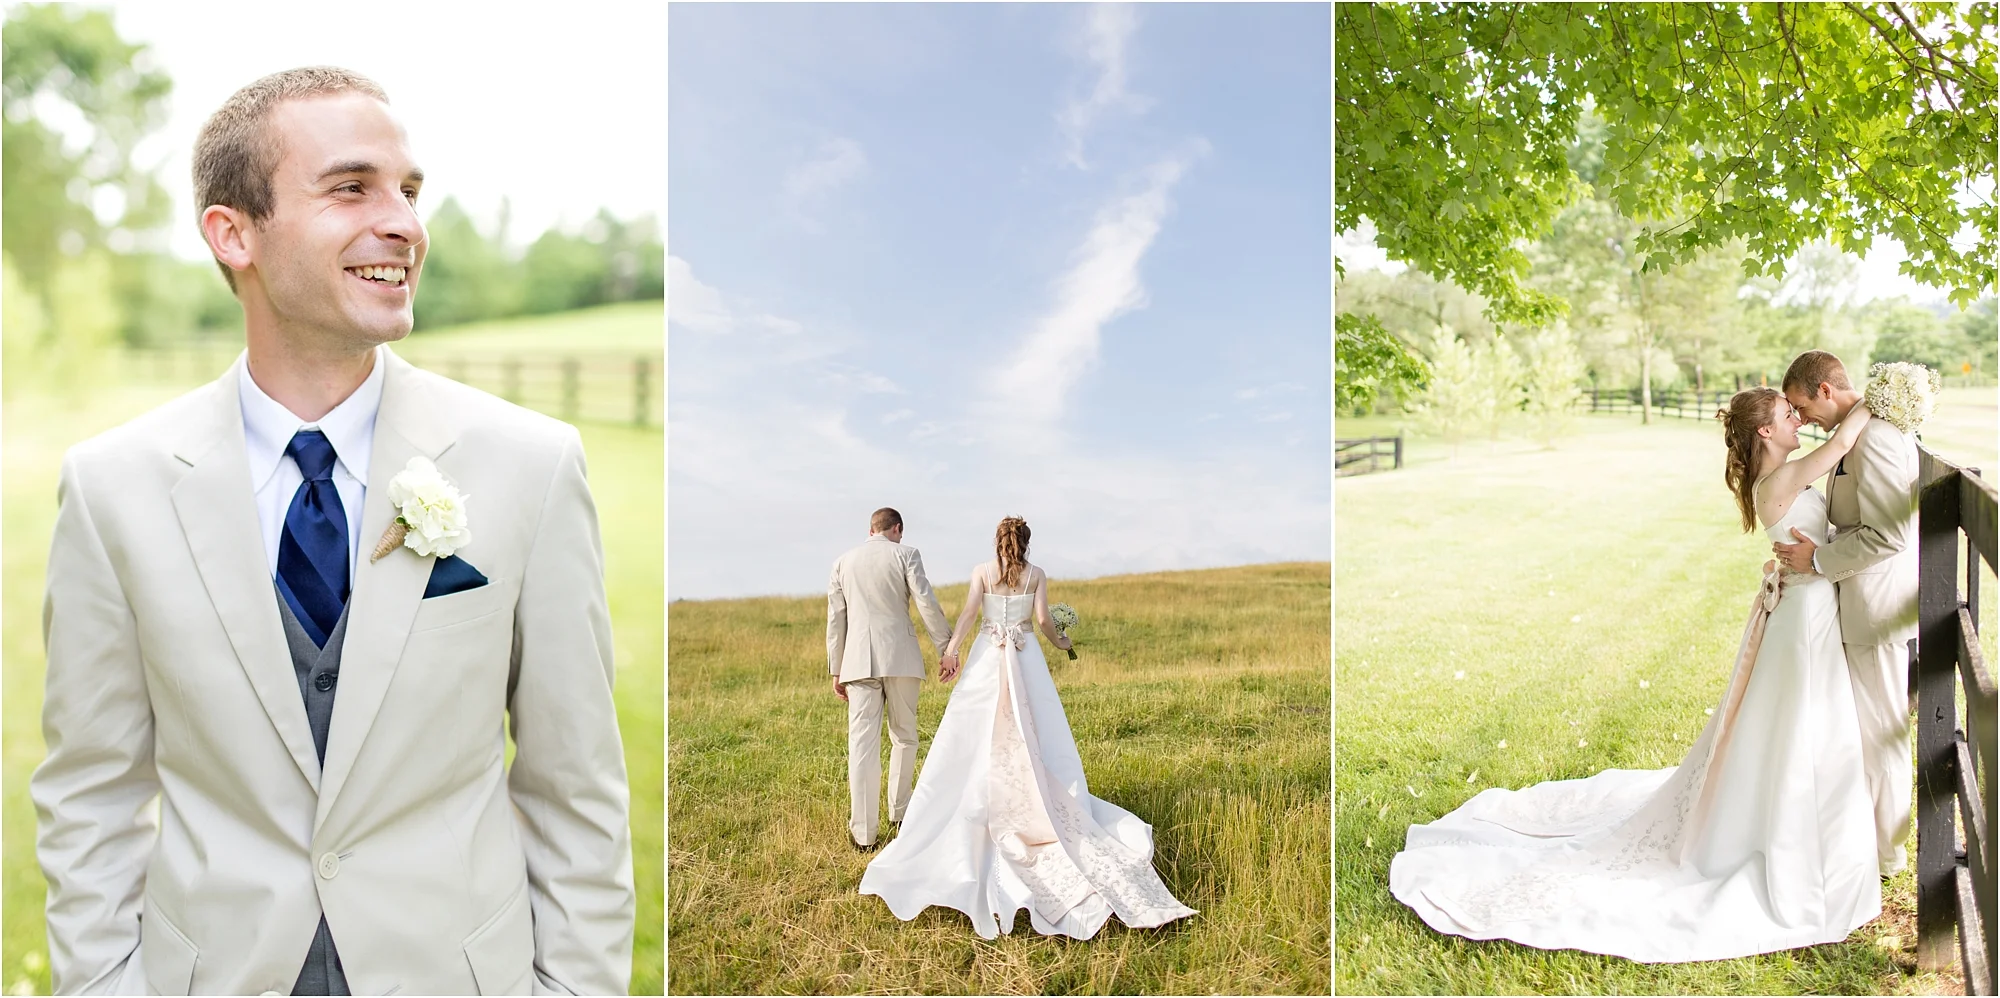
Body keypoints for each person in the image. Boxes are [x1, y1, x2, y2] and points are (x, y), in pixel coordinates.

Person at [31, 67, 634, 996]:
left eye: (409, 191)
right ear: (234, 234)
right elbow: (91, 797)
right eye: (352, 187)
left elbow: (576, 792)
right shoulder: (113, 488)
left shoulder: (533, 467)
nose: (404, 223)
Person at [1389, 388, 1880, 962]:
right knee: (1796, 722)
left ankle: (1809, 826)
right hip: (1801, 614)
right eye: (1786, 414)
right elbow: (1845, 438)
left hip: (1807, 608)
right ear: (1765, 433)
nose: (1798, 419)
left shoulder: (1783, 476)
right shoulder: (1781, 480)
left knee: (1796, 724)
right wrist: (1886, 393)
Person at [859, 516, 1197, 939]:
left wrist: (951, 651)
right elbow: (1042, 623)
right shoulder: (1036, 575)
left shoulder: (982, 572)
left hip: (987, 655)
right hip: (1024, 657)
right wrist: (1063, 644)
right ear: (1026, 543)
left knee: (975, 732)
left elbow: (967, 615)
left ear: (998, 541)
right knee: (1034, 730)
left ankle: (972, 801)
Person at [1773, 349, 1922, 876]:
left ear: (1824, 391)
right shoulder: (1855, 433)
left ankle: (1888, 853)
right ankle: (1869, 836)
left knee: (1882, 731)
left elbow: (1891, 535)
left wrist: (1818, 558)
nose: (1801, 417)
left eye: (1800, 405)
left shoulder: (1877, 438)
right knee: (1862, 726)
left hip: (1878, 608)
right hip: (1856, 603)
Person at [826, 507, 952, 850]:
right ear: (897, 529)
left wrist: (836, 668)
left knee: (862, 747)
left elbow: (836, 620)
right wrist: (946, 648)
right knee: (904, 737)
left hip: (857, 664)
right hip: (901, 659)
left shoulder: (842, 562)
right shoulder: (907, 554)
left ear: (871, 530)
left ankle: (863, 834)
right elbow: (926, 602)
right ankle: (901, 813)